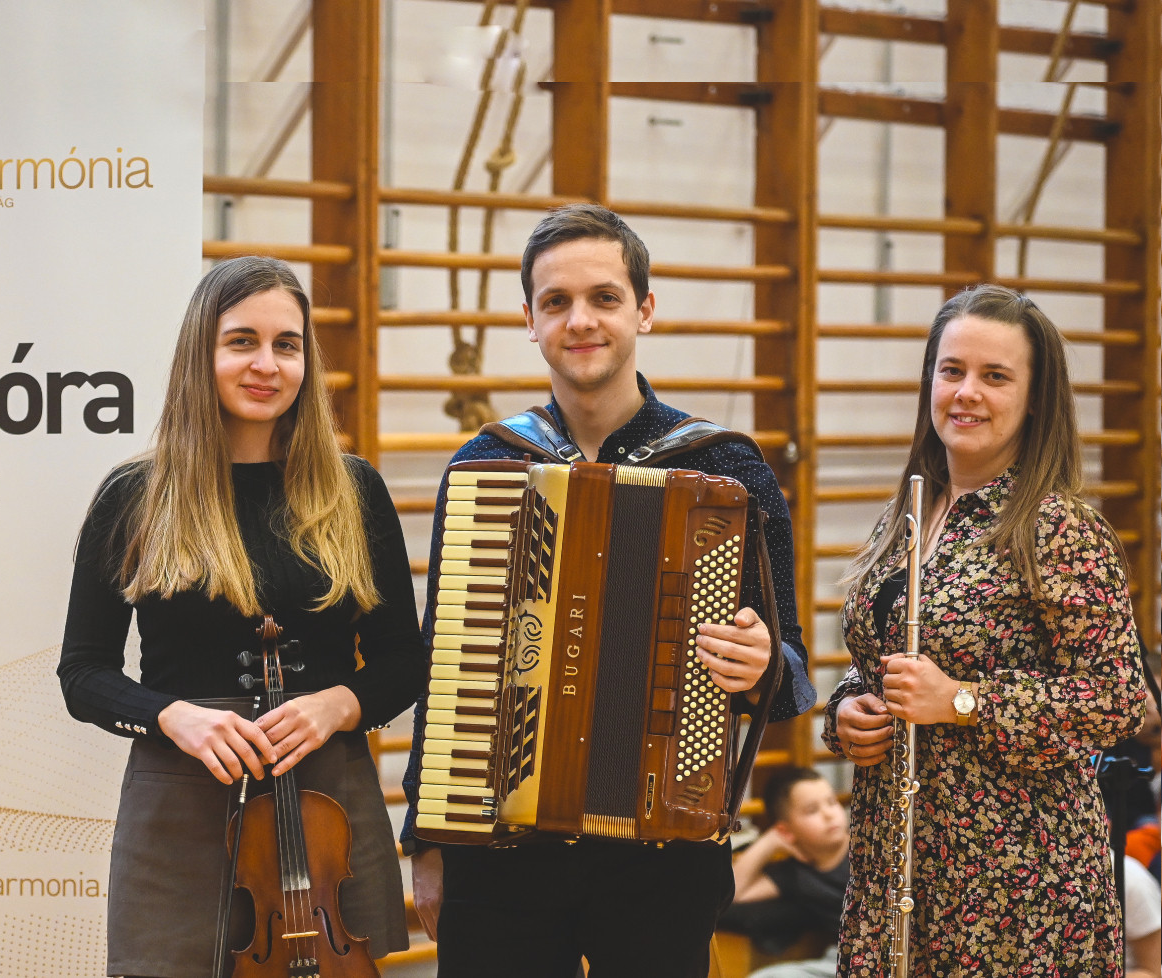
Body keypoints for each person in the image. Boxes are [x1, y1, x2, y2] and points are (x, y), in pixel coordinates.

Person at [400, 204, 816, 978]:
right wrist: (425, 839)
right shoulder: (486, 466)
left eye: (603, 297)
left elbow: (793, 678)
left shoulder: (727, 469)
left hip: (660, 857)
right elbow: (446, 664)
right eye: (555, 301)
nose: (579, 320)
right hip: (500, 848)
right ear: (528, 320)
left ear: (643, 310)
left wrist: (764, 664)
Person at [58, 256, 421, 978]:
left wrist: (338, 704)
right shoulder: (135, 495)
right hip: (181, 798)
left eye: (286, 345)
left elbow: (404, 662)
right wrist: (172, 717)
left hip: (326, 798)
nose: (266, 365)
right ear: (202, 354)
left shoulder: (354, 490)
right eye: (241, 342)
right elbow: (83, 673)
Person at [825, 284, 1149, 977]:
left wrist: (962, 701)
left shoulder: (1059, 527)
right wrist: (849, 708)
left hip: (1016, 886)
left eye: (994, 376)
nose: (965, 392)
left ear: (1033, 399)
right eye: (952, 370)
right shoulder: (908, 512)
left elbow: (1117, 700)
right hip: (895, 864)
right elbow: (884, 659)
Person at [720, 766, 848, 976]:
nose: (828, 814)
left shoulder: (866, 850)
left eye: (831, 802)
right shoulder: (795, 875)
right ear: (785, 830)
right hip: (845, 959)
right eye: (812, 810)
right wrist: (771, 841)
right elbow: (732, 892)